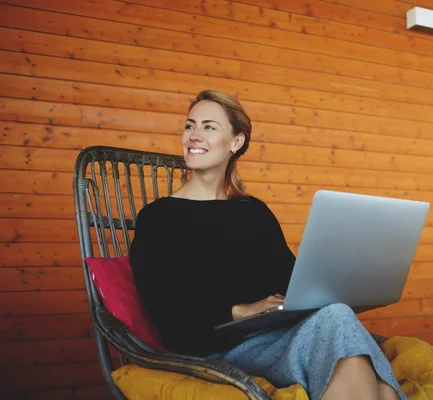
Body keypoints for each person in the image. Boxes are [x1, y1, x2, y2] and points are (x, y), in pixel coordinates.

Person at [129, 90, 406, 400]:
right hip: (219, 349)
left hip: (276, 335)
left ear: (236, 142)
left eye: (209, 127)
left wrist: (334, 282)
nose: (194, 136)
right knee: (361, 358)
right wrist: (240, 310)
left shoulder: (253, 211)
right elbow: (168, 314)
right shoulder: (157, 218)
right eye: (190, 125)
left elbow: (290, 281)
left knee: (337, 315)